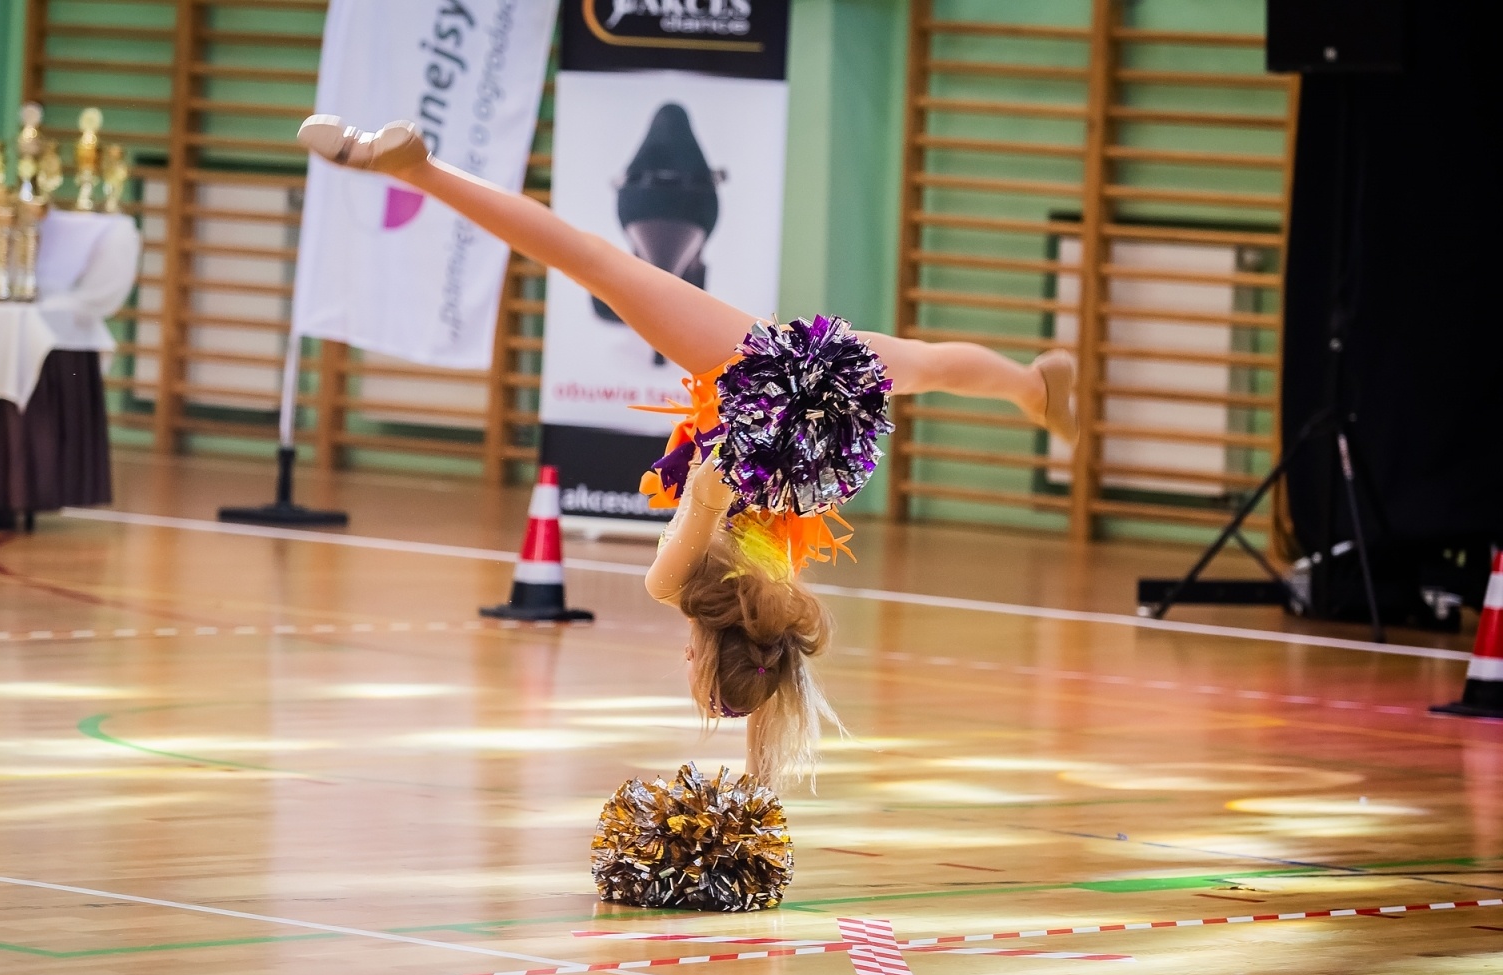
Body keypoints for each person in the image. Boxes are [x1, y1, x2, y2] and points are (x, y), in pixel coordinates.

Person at [297, 116, 1077, 789]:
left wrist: (755, 774)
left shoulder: (776, 595)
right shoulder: (674, 582)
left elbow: (763, 665)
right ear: (702, 656)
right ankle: (420, 169)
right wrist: (724, 469)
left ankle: (1029, 389)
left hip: (818, 427)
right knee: (595, 262)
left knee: (931, 368)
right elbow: (703, 491)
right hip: (755, 402)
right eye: (695, 671)